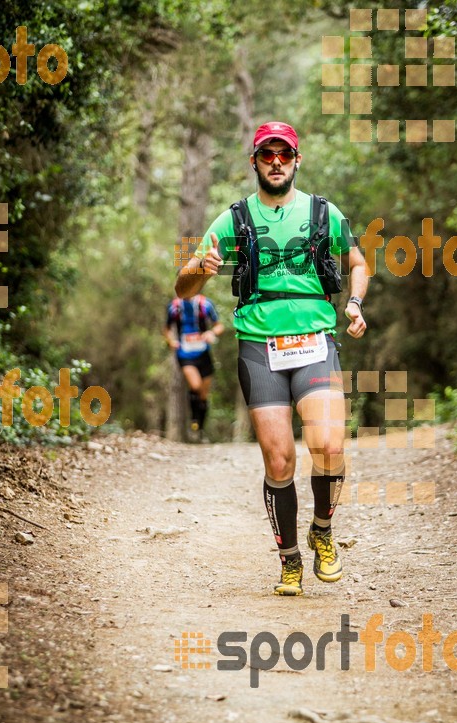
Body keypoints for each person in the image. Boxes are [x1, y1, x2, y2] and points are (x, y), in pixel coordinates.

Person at [175, 121, 369, 595]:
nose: (276, 162)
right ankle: (289, 560)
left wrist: (355, 303)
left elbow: (358, 263)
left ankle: (322, 530)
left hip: (315, 343)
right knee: (280, 461)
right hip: (259, 349)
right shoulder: (233, 220)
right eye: (268, 155)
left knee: (329, 447)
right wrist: (200, 269)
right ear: (255, 162)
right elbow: (182, 289)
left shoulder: (323, 213)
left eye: (285, 154)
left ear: (297, 160)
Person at [164, 293, 224, 440]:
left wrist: (211, 333)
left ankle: (199, 428)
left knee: (203, 394)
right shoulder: (174, 307)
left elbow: (219, 325)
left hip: (203, 353)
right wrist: (170, 341)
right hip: (185, 354)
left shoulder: (205, 304)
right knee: (195, 386)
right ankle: (194, 422)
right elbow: (166, 328)